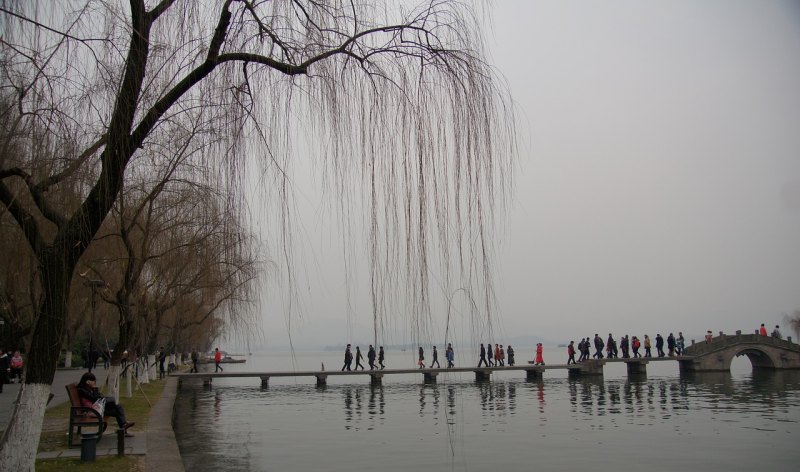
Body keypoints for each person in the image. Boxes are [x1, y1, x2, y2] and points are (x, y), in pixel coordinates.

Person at [77, 372, 135, 436]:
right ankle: (124, 427)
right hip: (93, 411)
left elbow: (97, 397)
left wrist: (95, 390)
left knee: (118, 408)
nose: (94, 382)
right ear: (87, 381)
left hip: (96, 409)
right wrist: (94, 388)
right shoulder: (81, 390)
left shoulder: (87, 389)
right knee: (117, 407)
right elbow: (94, 399)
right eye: (93, 381)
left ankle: (124, 427)